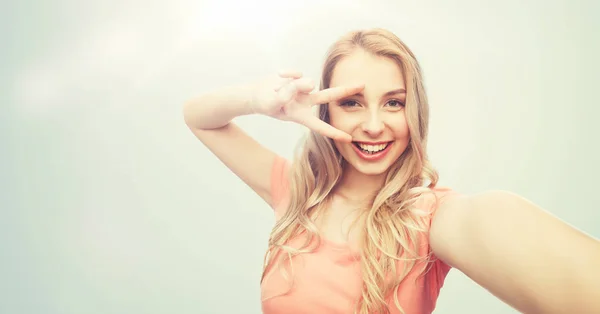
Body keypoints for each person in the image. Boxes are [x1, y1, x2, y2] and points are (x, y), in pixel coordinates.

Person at [182, 28, 600, 314]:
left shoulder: (433, 217)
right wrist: (259, 99)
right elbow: (198, 116)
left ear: (413, 111)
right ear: (325, 109)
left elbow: (494, 224)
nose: (374, 124)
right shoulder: (295, 191)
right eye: (353, 103)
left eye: (394, 103)